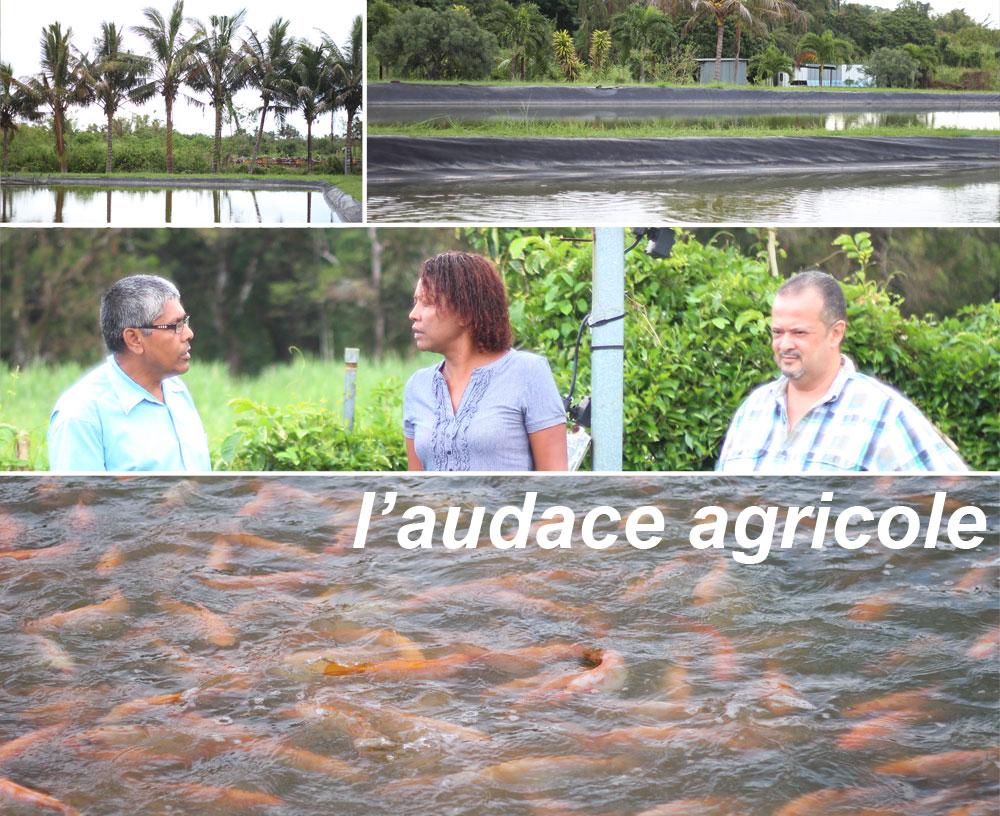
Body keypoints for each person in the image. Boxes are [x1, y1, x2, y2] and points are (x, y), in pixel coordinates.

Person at [716, 270, 967, 473]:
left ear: (835, 333)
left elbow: (963, 508)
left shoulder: (885, 415)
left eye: (799, 333)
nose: (785, 344)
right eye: (778, 332)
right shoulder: (752, 411)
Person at [403, 252, 568, 471]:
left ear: (465, 312)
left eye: (427, 303)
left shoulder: (527, 373)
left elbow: (555, 481)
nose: (414, 314)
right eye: (416, 302)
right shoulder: (417, 386)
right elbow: (417, 490)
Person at [48, 275, 211, 472]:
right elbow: (78, 500)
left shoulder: (176, 390)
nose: (188, 333)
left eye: (184, 321)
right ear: (134, 339)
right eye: (175, 325)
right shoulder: (81, 415)